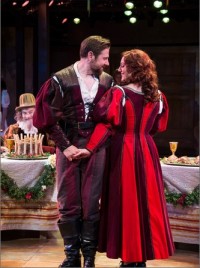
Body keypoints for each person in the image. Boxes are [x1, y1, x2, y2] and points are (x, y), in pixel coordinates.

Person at [74, 49, 175, 267]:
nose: (119, 68)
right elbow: (159, 126)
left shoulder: (119, 93)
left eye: (123, 65)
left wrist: (90, 148)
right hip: (147, 150)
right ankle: (138, 259)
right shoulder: (158, 96)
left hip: (124, 152)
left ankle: (130, 259)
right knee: (145, 202)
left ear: (134, 68)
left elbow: (107, 124)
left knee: (127, 202)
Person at [32, 35, 113, 268]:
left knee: (91, 199)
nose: (107, 63)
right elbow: (45, 118)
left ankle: (89, 258)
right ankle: (71, 258)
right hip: (67, 143)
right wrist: (65, 146)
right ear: (90, 55)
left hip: (95, 147)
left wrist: (90, 147)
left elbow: (109, 119)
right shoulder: (61, 79)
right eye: (104, 58)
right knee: (68, 200)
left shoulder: (107, 81)